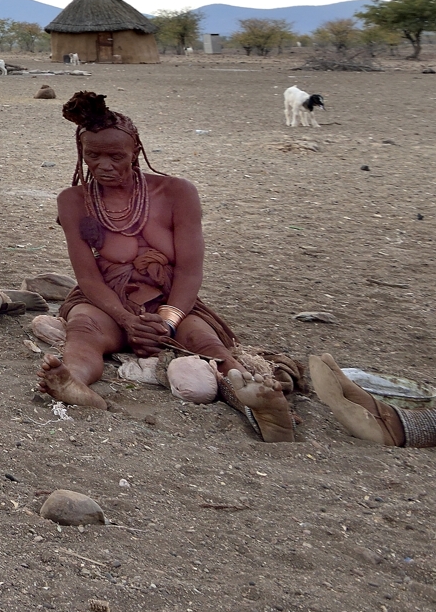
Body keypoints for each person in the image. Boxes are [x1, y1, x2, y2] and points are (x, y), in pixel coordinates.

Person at [39, 91, 297, 440]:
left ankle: (255, 404)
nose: (103, 165)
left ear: (136, 152)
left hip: (171, 299)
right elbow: (87, 276)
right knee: (83, 329)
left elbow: (190, 271)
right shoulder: (74, 201)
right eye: (92, 156)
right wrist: (129, 320)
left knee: (207, 343)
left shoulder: (177, 193)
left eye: (116, 156)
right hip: (106, 301)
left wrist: (166, 323)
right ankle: (72, 381)